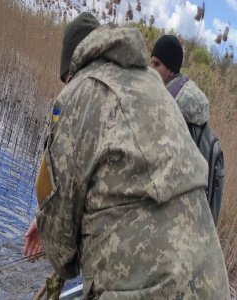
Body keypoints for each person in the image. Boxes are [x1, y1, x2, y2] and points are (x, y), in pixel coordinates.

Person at [24, 12, 231, 299]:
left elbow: (61, 252)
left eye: (66, 79)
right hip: (213, 285)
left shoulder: (78, 93)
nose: (67, 85)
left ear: (73, 67)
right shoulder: (154, 88)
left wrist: (48, 223)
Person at [151, 35, 225, 225]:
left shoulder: (168, 106)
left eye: (156, 64)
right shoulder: (191, 108)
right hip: (194, 216)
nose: (152, 70)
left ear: (170, 69)